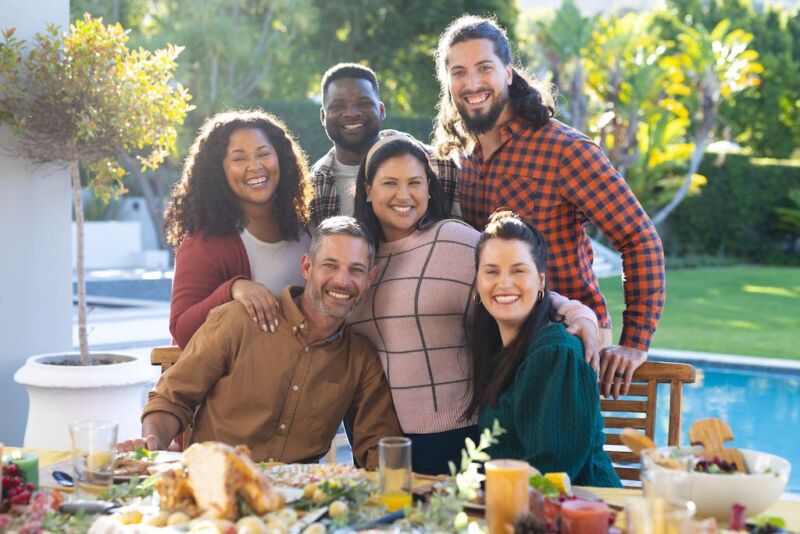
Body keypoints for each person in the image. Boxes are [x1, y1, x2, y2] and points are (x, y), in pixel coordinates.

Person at [433, 16, 666, 397]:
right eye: (459, 72)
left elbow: (638, 237)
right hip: (497, 346)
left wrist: (635, 342)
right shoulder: (462, 158)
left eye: (484, 68)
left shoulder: (565, 150)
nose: (472, 84)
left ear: (508, 73)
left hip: (568, 339)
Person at [350, 135, 600, 475]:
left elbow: (511, 279)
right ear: (367, 190)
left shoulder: (454, 239)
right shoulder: (359, 258)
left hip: (456, 432)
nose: (403, 195)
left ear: (429, 189)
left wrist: (579, 313)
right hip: (383, 437)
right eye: (389, 183)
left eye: (415, 183)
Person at [121, 217, 402, 468]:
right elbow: (172, 398)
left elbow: (378, 444)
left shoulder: (360, 358)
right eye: (330, 265)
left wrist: (401, 486)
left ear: (370, 278)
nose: (342, 280)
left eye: (356, 270)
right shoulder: (239, 322)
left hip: (300, 505)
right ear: (307, 267)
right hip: (216, 485)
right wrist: (152, 443)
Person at [465, 211, 621, 487]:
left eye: (518, 270)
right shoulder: (502, 351)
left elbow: (551, 473)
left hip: (585, 513)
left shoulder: (557, 353)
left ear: (541, 283)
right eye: (491, 271)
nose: (504, 283)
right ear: (477, 283)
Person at [163, 109, 313, 348]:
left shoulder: (310, 229)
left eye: (263, 154)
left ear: (281, 160)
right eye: (238, 158)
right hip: (242, 381)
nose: (254, 167)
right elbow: (182, 330)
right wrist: (233, 289)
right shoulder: (205, 244)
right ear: (219, 171)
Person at [310, 63, 458, 228]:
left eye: (363, 103)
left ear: (381, 110)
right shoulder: (312, 186)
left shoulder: (439, 166)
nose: (351, 113)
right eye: (338, 106)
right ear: (323, 116)